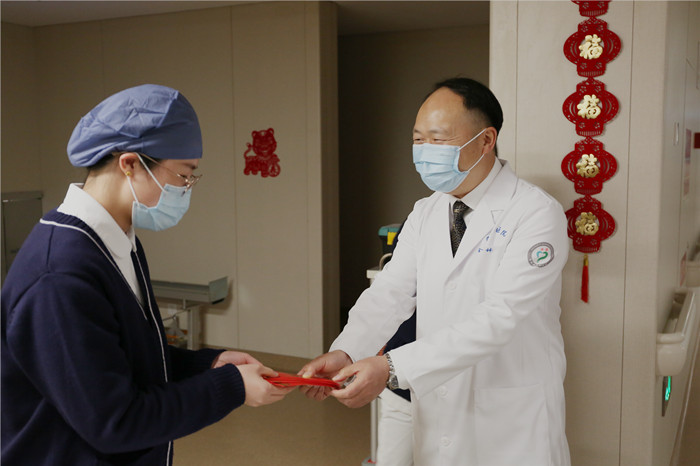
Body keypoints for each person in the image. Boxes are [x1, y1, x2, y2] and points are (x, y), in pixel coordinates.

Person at [1, 84, 291, 466]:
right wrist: (230, 388)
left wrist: (207, 365)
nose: (186, 189)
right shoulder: (59, 276)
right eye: (184, 175)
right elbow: (115, 422)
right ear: (131, 164)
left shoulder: (119, 241)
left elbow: (124, 356)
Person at [300, 77, 571, 465]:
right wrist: (347, 351)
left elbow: (501, 317)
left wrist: (392, 367)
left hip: (511, 418)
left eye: (439, 139)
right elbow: (390, 292)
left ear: (486, 140)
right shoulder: (425, 212)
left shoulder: (535, 213)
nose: (425, 151)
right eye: (418, 139)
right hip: (440, 410)